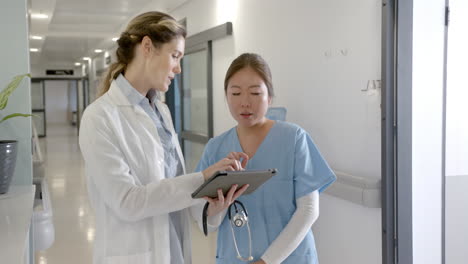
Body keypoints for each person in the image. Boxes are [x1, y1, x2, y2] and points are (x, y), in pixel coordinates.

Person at [78, 11, 248, 264]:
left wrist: (212, 203)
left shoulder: (162, 112)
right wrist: (202, 178)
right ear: (147, 47)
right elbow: (127, 202)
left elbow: (171, 186)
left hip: (174, 250)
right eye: (175, 56)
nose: (179, 68)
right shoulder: (99, 117)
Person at [195, 53, 336, 263]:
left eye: (254, 93)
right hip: (235, 256)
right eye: (235, 93)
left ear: (269, 97)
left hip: (289, 258)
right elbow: (206, 222)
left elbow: (308, 210)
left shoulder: (294, 139)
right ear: (226, 96)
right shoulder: (216, 148)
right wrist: (217, 207)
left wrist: (267, 261)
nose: (244, 103)